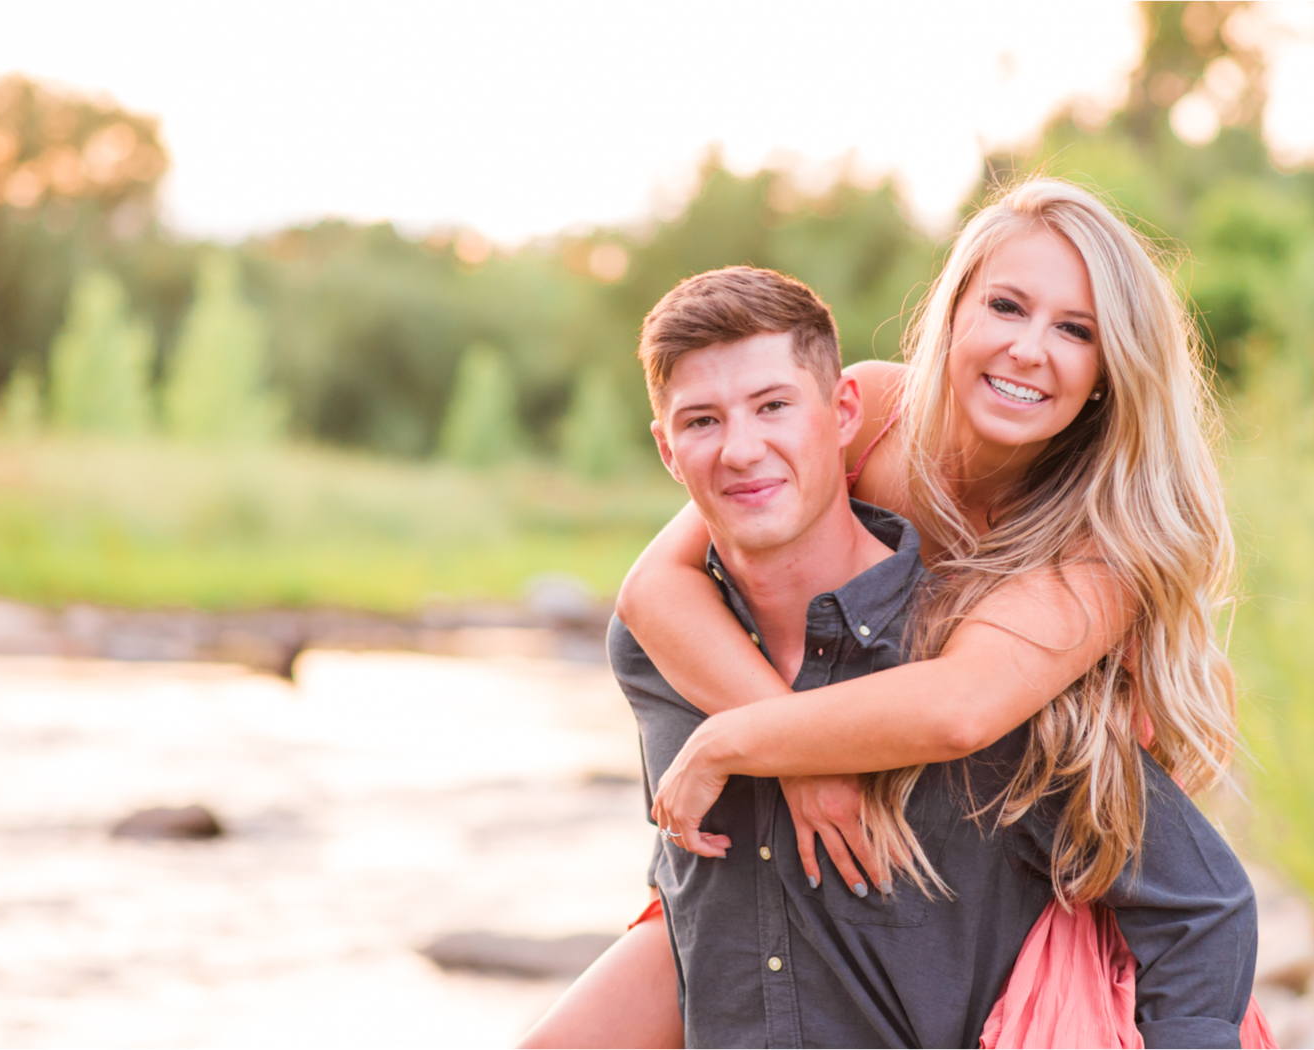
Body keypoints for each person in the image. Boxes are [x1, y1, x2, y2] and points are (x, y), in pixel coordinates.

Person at [522, 180, 1272, 1047]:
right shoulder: (874, 411)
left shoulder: (1102, 550)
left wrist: (741, 743)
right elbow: (655, 589)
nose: (1030, 349)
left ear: (1112, 370)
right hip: (795, 894)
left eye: (1076, 330)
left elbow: (961, 708)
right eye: (1006, 306)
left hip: (1024, 882)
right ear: (953, 310)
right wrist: (798, 759)